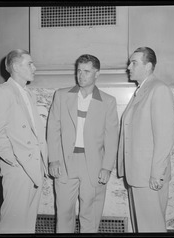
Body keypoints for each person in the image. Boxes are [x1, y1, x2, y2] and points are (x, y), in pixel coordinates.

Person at [47, 54, 119, 233]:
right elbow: (53, 130)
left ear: (97, 74)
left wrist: (107, 167)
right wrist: (53, 159)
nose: (81, 75)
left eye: (87, 71)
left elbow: (112, 138)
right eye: (79, 71)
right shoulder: (62, 95)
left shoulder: (108, 101)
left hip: (93, 165)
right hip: (65, 162)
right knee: (64, 214)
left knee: (90, 215)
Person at [0, 49, 48, 233]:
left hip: (35, 166)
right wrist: (13, 160)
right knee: (12, 223)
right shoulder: (1, 92)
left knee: (28, 222)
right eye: (30, 63)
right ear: (15, 67)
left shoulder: (28, 93)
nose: (35, 68)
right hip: (18, 166)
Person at [117, 47, 174, 232]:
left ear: (148, 66)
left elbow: (165, 136)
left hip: (149, 176)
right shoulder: (143, 89)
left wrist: (156, 174)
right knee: (142, 228)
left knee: (151, 228)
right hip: (139, 173)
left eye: (134, 62)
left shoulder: (158, 89)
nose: (128, 67)